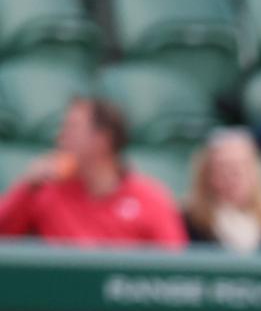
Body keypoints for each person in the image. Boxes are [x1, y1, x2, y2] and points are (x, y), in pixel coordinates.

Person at [0, 95, 184, 247]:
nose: (61, 137)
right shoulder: (45, 192)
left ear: (103, 139)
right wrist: (26, 186)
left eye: (72, 127)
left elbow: (172, 269)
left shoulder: (151, 199)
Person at [184, 128, 261, 250]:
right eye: (223, 168)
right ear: (206, 175)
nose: (232, 178)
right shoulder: (188, 224)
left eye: (240, 168)